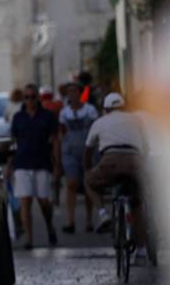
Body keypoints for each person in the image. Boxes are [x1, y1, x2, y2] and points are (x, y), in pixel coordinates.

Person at [84, 92, 149, 261]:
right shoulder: (136, 120)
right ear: (124, 107)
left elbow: (88, 149)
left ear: (105, 109)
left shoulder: (100, 122)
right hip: (134, 161)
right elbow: (146, 146)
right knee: (137, 203)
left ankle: (104, 214)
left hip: (109, 161)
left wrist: (88, 169)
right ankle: (141, 249)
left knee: (89, 182)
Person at [11, 83, 60, 249]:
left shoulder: (48, 116)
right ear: (23, 99)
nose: (30, 100)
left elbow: (55, 140)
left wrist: (57, 164)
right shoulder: (18, 118)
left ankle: (50, 227)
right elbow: (14, 142)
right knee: (26, 202)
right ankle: (29, 239)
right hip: (22, 163)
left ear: (37, 97)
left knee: (44, 202)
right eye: (26, 97)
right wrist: (10, 165)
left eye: (32, 97)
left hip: (42, 162)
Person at [58, 82, 99, 233]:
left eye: (75, 91)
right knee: (72, 183)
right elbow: (61, 131)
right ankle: (70, 220)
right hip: (70, 151)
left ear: (80, 93)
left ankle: (89, 220)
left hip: (88, 149)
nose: (72, 94)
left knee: (88, 183)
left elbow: (96, 128)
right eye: (69, 92)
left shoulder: (90, 110)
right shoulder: (64, 112)